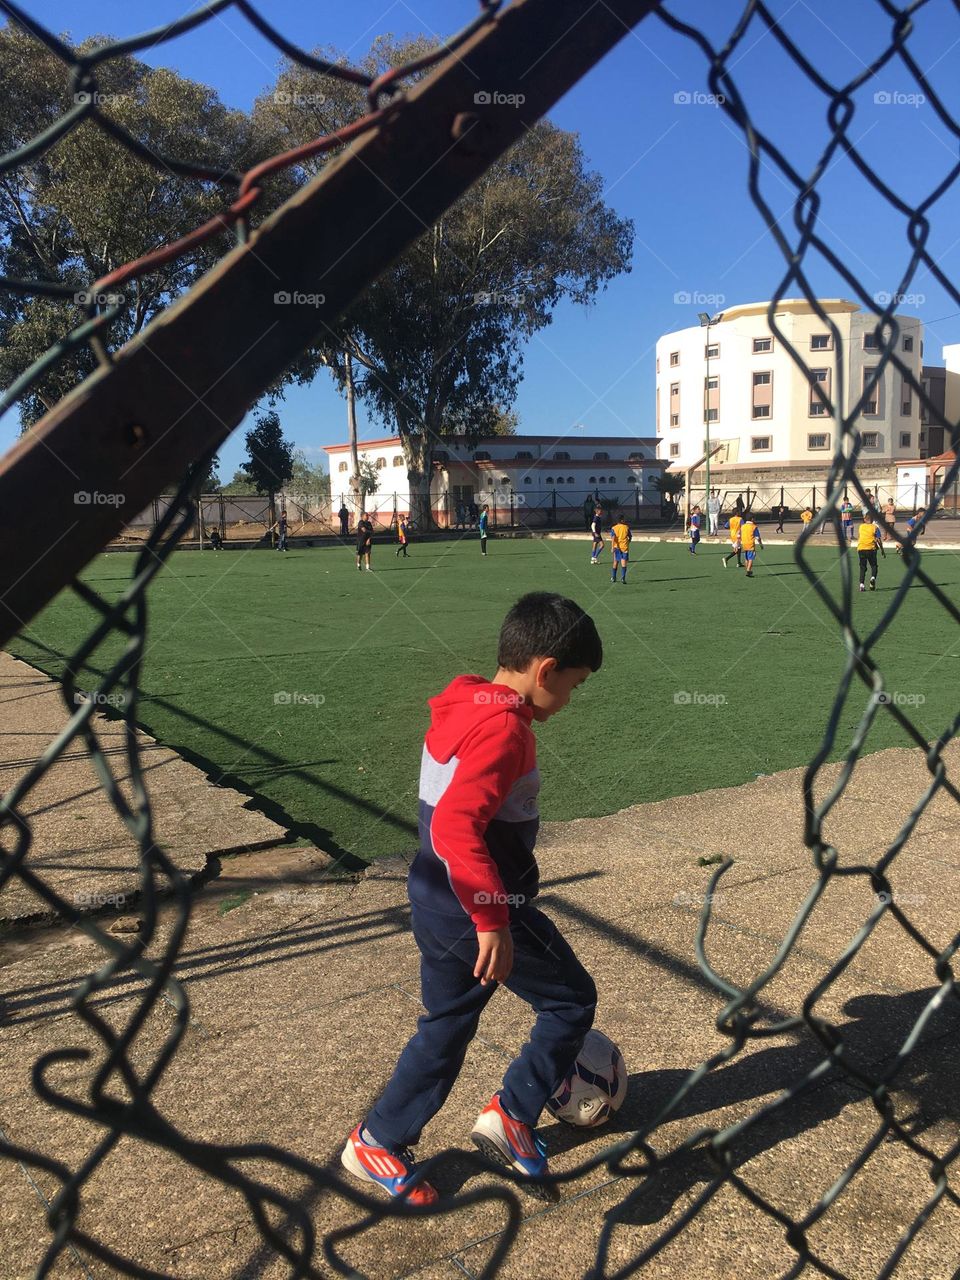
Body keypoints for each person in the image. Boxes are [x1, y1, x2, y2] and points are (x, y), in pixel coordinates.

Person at [340, 593, 602, 1203]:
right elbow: (456, 827)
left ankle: (377, 1138)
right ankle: (512, 1117)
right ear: (545, 670)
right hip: (479, 907)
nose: (569, 700)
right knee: (569, 1001)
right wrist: (493, 920)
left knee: (448, 1023)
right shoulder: (505, 731)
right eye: (574, 685)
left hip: (434, 893)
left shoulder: (467, 698)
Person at [857, 513, 885, 591]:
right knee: (874, 566)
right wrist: (882, 550)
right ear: (872, 520)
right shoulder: (875, 527)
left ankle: (861, 585)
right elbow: (879, 540)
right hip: (871, 549)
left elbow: (859, 537)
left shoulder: (861, 526)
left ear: (864, 519)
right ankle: (872, 578)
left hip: (861, 548)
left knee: (862, 567)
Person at [610, 512, 632, 583]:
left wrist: (612, 547)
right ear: (622, 520)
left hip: (617, 547)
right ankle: (623, 578)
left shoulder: (614, 528)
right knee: (624, 562)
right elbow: (630, 536)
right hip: (624, 547)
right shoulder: (626, 527)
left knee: (615, 562)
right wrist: (628, 542)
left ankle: (613, 577)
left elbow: (613, 538)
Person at [740, 512, 763, 578]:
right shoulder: (754, 527)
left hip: (744, 544)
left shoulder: (743, 526)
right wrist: (761, 544)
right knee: (751, 558)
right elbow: (758, 537)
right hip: (750, 544)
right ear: (752, 519)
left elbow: (740, 534)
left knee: (746, 558)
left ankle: (747, 570)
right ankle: (748, 570)